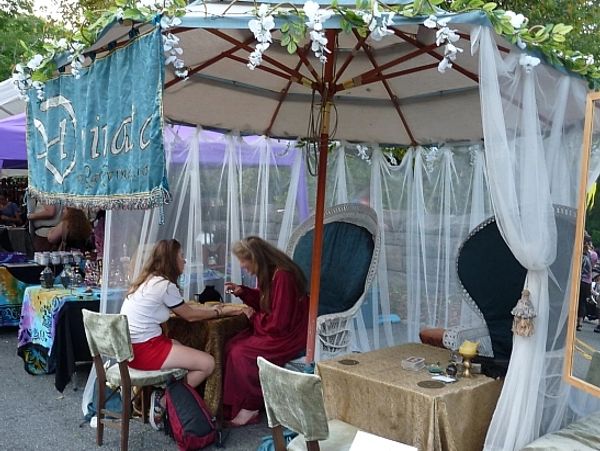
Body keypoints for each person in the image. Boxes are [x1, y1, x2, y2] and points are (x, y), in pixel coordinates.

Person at [120, 239, 228, 430]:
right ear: (171, 260)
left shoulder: (146, 281)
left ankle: (166, 395)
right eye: (181, 256)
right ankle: (164, 402)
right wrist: (218, 311)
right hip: (146, 350)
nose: (184, 260)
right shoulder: (164, 286)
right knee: (208, 363)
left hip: (131, 350)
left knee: (178, 343)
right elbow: (191, 316)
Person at [222, 236, 309, 427]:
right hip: (276, 329)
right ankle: (236, 404)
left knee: (241, 353)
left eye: (245, 262)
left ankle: (251, 406)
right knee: (231, 344)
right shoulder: (270, 272)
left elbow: (279, 322)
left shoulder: (283, 276)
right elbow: (267, 302)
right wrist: (243, 292)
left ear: (256, 258)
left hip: (289, 335)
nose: (244, 267)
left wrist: (253, 317)